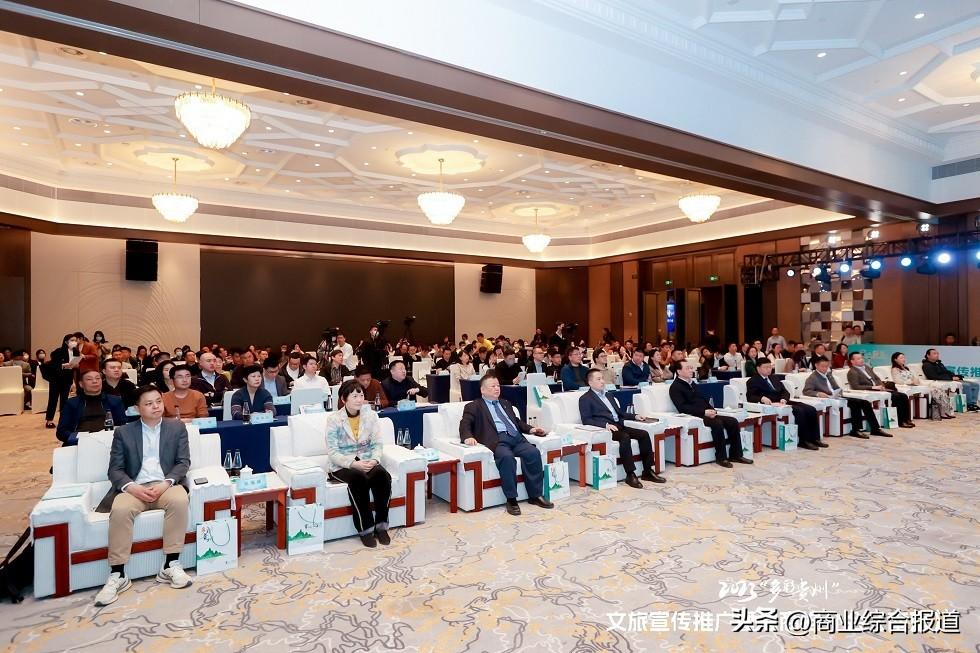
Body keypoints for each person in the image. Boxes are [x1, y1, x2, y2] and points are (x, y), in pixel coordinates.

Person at [93, 385, 192, 606]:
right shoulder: (124, 432)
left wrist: (166, 483)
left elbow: (183, 462)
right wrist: (131, 487)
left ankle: (171, 564)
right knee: (120, 509)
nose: (156, 406)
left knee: (179, 500)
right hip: (135, 487)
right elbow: (115, 470)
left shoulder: (176, 428)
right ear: (137, 408)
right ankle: (118, 573)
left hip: (165, 485)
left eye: (158, 401)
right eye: (149, 403)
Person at [459, 375, 552, 516]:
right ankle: (511, 499)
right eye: (493, 386)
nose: (497, 388)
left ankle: (535, 495)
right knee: (507, 458)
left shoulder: (506, 403)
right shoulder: (474, 406)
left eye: (498, 385)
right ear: (483, 390)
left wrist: (531, 429)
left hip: (516, 439)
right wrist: (468, 437)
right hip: (498, 441)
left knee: (533, 453)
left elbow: (516, 421)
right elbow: (465, 424)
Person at [324, 380, 393, 547]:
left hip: (367, 460)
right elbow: (333, 452)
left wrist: (375, 460)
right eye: (354, 396)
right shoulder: (334, 419)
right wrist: (353, 464)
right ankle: (365, 529)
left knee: (382, 475)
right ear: (343, 399)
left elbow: (377, 443)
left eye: (361, 395)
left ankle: (381, 526)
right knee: (358, 478)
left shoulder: (371, 416)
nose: (359, 399)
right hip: (342, 464)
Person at [579, 368, 664, 486]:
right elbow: (586, 420)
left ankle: (648, 471)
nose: (602, 381)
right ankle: (630, 474)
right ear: (590, 382)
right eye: (598, 379)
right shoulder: (585, 399)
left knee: (644, 434)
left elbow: (620, 413)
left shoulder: (608, 395)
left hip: (619, 425)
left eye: (602, 378)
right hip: (607, 429)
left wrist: (635, 416)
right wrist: (605, 425)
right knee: (624, 437)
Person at [668, 361, 752, 468]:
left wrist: (712, 410)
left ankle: (736, 455)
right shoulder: (675, 387)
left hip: (706, 413)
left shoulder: (692, 383)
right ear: (679, 371)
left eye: (691, 368)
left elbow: (702, 399)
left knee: (732, 421)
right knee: (717, 423)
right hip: (694, 415)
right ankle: (721, 457)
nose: (691, 370)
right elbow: (682, 407)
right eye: (687, 368)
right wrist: (704, 412)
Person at [746, 359, 825, 450]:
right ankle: (803, 441)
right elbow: (750, 397)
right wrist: (761, 398)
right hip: (772, 404)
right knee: (800, 411)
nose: (768, 369)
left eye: (770, 367)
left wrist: (784, 398)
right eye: (765, 367)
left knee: (811, 409)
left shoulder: (774, 378)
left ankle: (815, 439)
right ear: (758, 368)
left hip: (783, 401)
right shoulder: (753, 381)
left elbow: (785, 391)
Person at [802, 356, 883, 438]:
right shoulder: (812, 378)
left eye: (826, 366)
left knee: (865, 402)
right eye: (822, 366)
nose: (825, 369)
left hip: (837, 396)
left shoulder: (828, 375)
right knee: (855, 404)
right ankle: (855, 430)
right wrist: (818, 393)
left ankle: (875, 428)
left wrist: (839, 392)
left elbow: (836, 387)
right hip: (828, 399)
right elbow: (806, 391)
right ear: (816, 365)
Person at [56, 369, 126, 446]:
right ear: (81, 384)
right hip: (79, 443)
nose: (95, 381)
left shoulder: (115, 401)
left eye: (98, 378)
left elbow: (122, 426)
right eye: (89, 379)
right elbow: (61, 432)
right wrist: (80, 438)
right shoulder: (72, 403)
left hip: (108, 442)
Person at [847, 352, 913, 428]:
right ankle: (900, 421)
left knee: (903, 395)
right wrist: (872, 387)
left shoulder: (866, 367)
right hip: (870, 390)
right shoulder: (852, 372)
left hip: (879, 388)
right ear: (852, 361)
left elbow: (877, 378)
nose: (861, 360)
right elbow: (855, 386)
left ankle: (906, 419)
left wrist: (881, 385)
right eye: (858, 359)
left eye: (862, 358)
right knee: (896, 397)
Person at [891, 352, 952, 419]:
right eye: (901, 358)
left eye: (904, 357)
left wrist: (916, 380)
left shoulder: (906, 368)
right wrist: (911, 382)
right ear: (895, 359)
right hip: (909, 385)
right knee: (935, 390)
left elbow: (914, 377)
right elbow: (898, 381)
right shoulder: (895, 369)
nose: (904, 359)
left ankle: (945, 411)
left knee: (938, 388)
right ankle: (943, 412)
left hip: (915, 383)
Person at [43, 333, 80, 428]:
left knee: (64, 400)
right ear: (66, 342)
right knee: (53, 399)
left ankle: (63, 419)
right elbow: (54, 364)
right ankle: (49, 420)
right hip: (56, 378)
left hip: (67, 378)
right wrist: (63, 365)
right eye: (72, 340)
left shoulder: (76, 352)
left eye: (75, 340)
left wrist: (75, 365)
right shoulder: (58, 351)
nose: (74, 342)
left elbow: (76, 365)